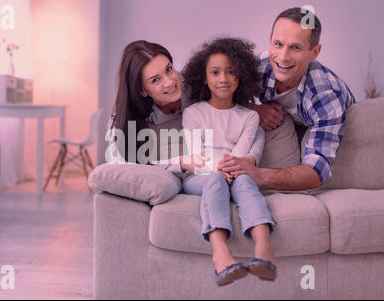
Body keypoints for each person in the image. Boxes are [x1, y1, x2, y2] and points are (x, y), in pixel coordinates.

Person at [218, 7, 356, 191]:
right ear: (270, 41)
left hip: (330, 130)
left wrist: (257, 174)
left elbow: (316, 173)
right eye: (278, 44)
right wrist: (254, 109)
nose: (283, 57)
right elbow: (219, 91)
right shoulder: (260, 66)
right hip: (295, 125)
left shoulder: (326, 96)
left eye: (295, 47)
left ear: (315, 52)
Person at [181, 38, 277, 286]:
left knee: (245, 181)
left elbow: (240, 158)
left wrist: (230, 170)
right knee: (215, 179)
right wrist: (218, 171)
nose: (223, 78)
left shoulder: (249, 117)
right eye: (215, 72)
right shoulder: (193, 113)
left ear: (240, 77)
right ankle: (221, 255)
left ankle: (264, 252)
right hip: (200, 177)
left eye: (231, 72)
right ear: (204, 78)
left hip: (235, 174)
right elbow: (196, 156)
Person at [107, 40, 264, 175]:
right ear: (142, 89)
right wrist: (180, 162)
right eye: (155, 80)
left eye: (169, 69)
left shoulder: (193, 85)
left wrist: (255, 109)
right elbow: (120, 166)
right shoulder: (124, 117)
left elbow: (236, 113)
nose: (170, 82)